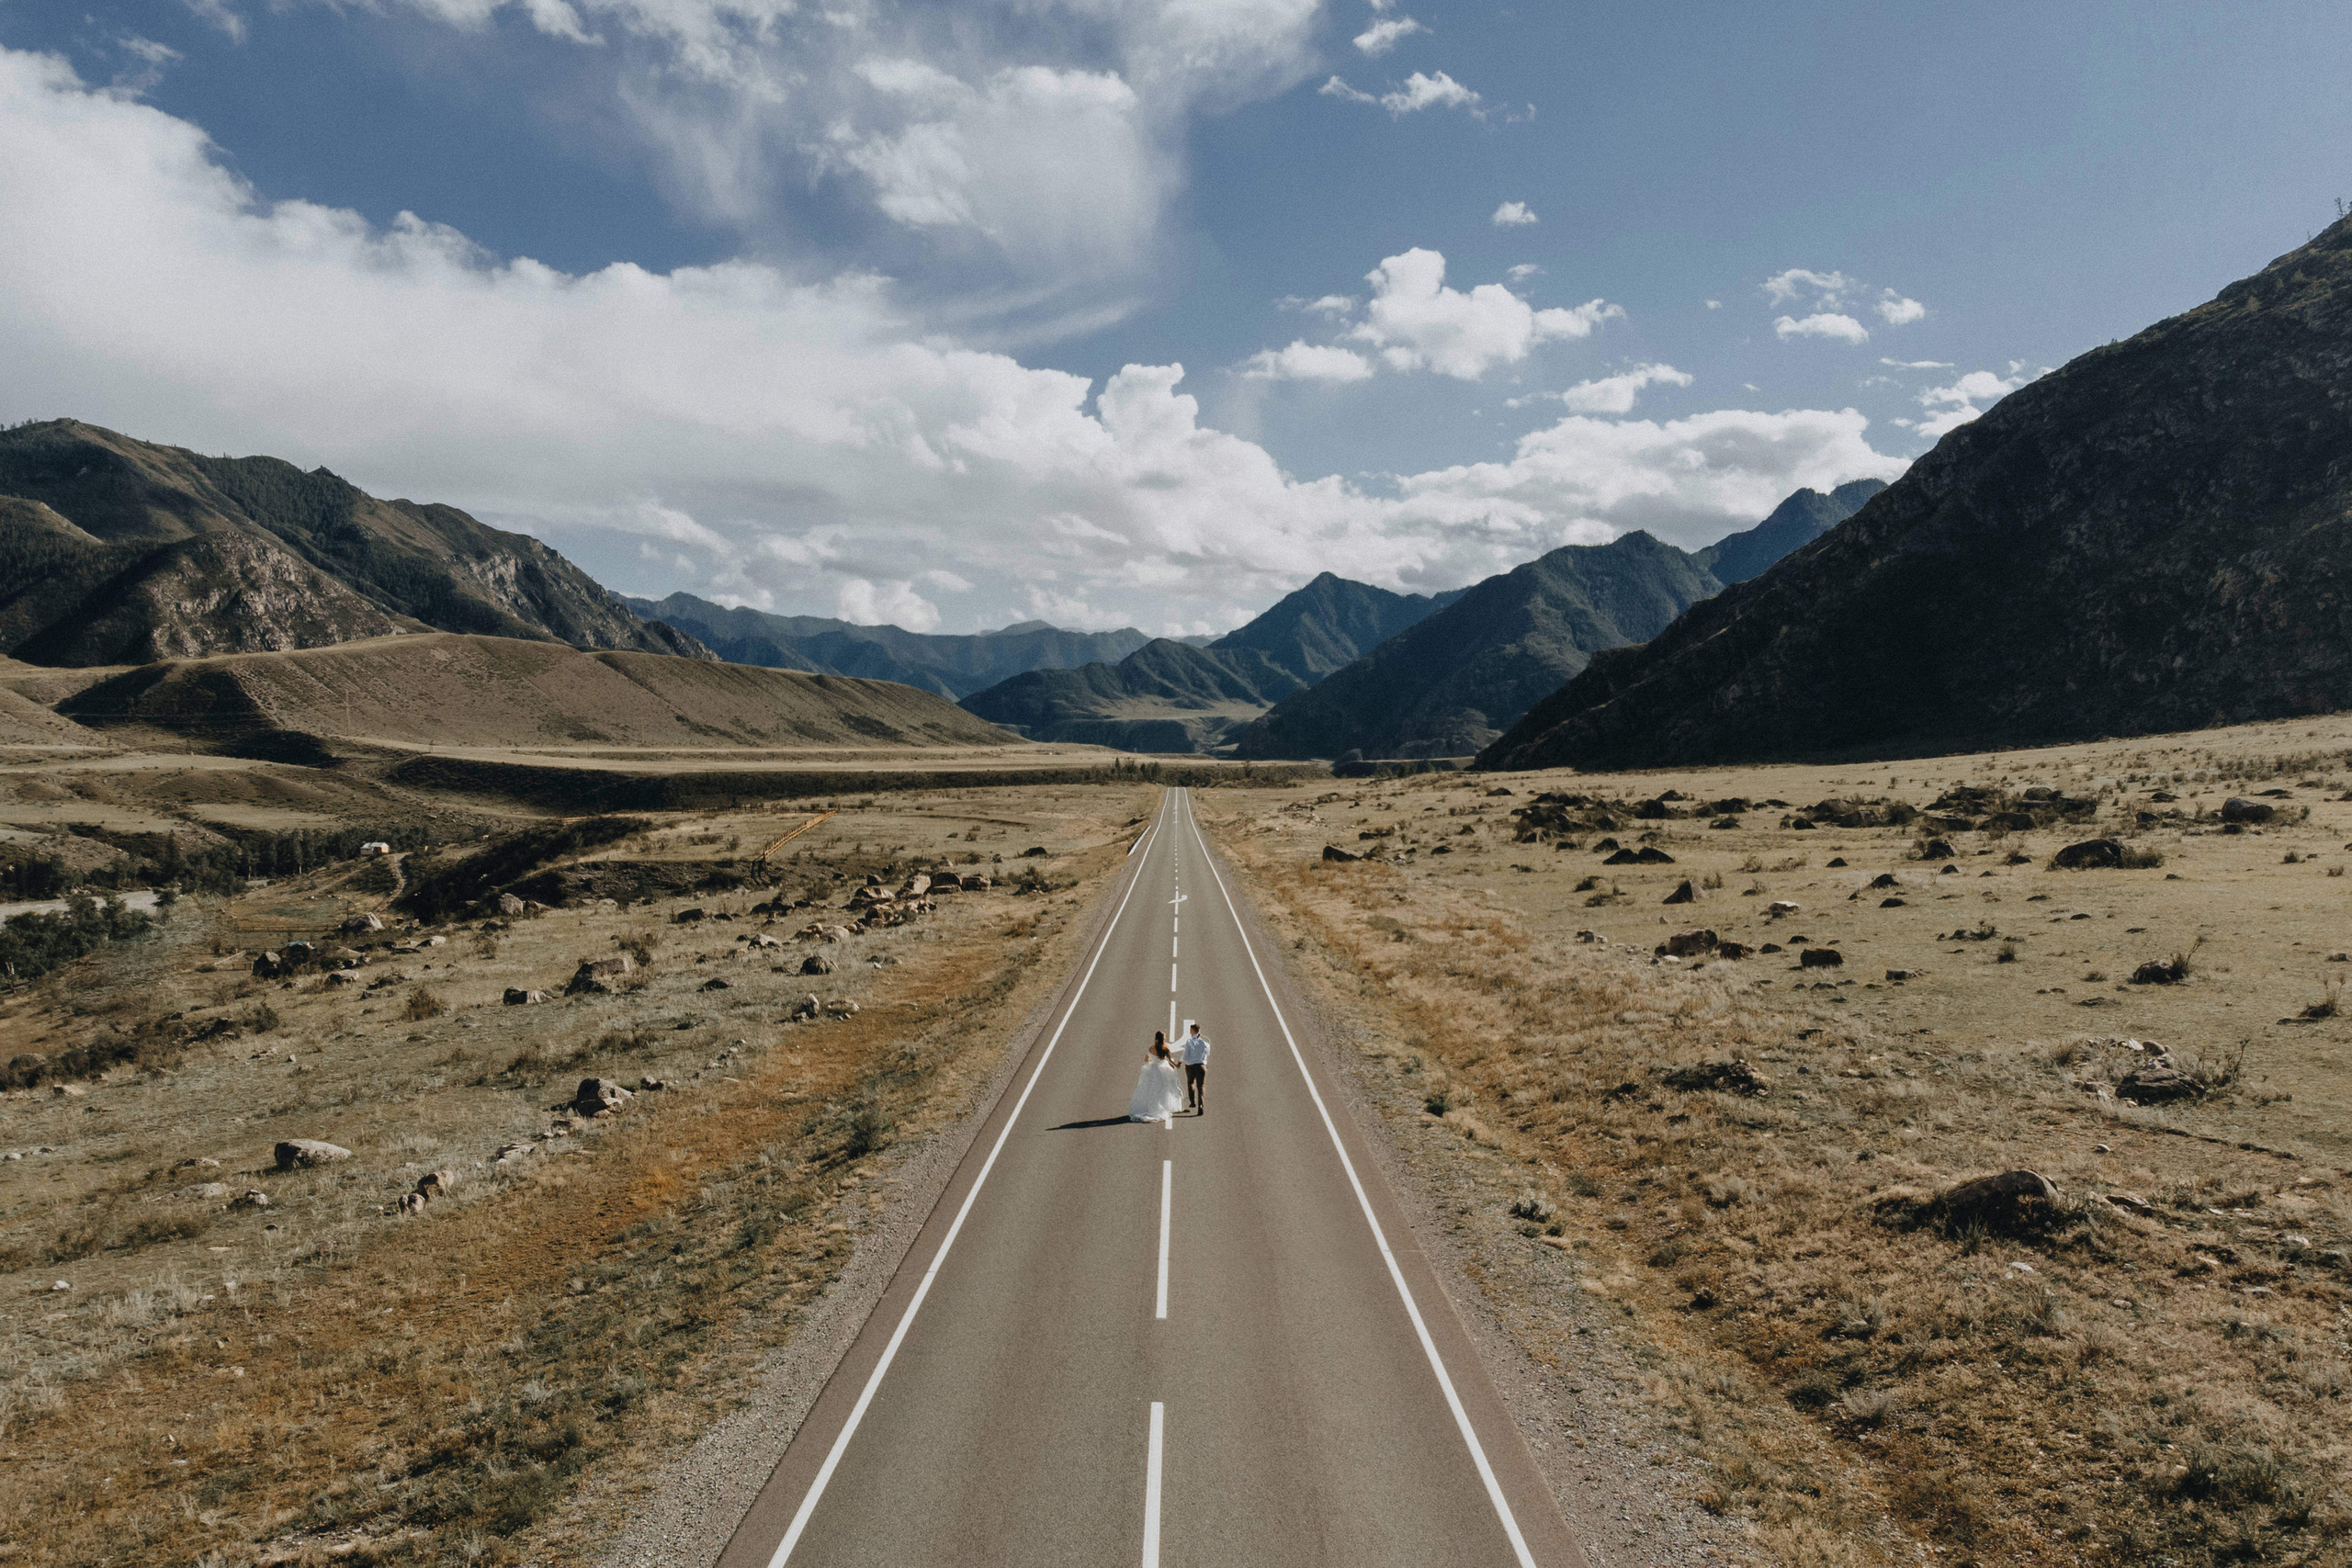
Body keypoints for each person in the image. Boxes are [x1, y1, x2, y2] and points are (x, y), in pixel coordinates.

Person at [1128, 1031, 1186, 1122]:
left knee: (1149, 1089)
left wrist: (1151, 1063)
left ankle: (1147, 1108)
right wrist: (1177, 1065)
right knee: (1164, 1088)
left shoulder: (1151, 1048)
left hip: (1152, 1069)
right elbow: (1170, 1061)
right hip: (1162, 1070)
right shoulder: (1165, 1049)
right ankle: (1163, 1105)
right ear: (1163, 1039)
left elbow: (1146, 1059)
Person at [1181, 1021, 1210, 1113]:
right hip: (1202, 1066)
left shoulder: (1189, 1042)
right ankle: (1201, 1105)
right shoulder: (1206, 1043)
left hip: (1191, 1066)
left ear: (1192, 1031)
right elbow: (1207, 1054)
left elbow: (1185, 1055)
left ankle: (1192, 1102)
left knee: (1190, 1083)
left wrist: (1180, 1062)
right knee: (1201, 1086)